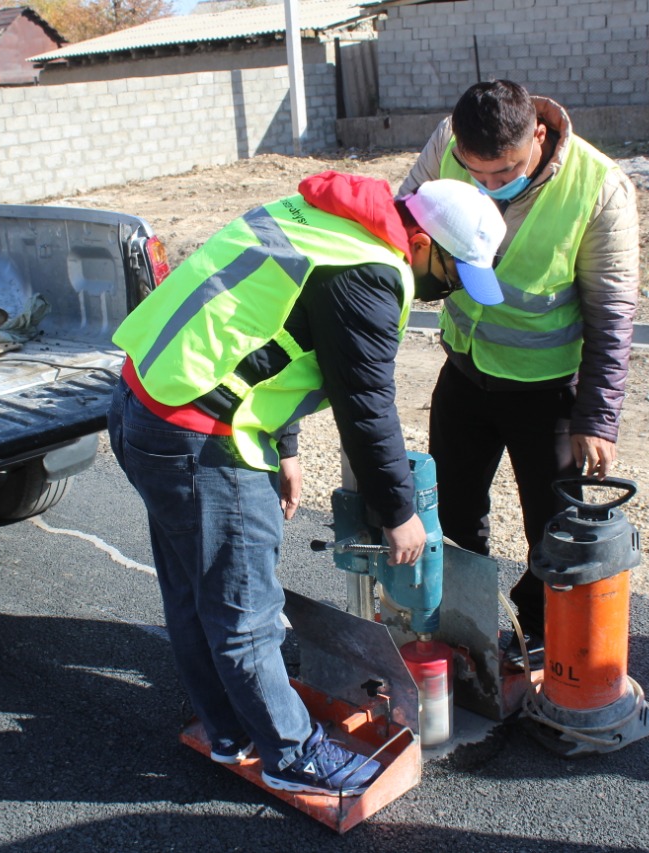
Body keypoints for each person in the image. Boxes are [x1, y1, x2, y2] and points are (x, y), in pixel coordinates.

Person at [107, 172, 506, 796]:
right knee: (246, 614)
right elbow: (366, 405)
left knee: (193, 591)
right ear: (424, 243)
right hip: (199, 437)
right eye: (453, 275)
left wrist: (284, 445)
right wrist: (399, 511)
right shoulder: (369, 270)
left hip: (146, 403)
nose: (447, 291)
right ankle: (291, 757)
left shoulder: (323, 221)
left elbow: (275, 327)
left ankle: (229, 733)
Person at [399, 80, 640, 671]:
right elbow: (406, 219)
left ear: (538, 134)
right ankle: (463, 623)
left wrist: (597, 418)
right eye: (475, 173)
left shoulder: (599, 186)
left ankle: (536, 632)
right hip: (466, 369)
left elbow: (612, 311)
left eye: (503, 171)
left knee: (553, 527)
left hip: (547, 390)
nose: (486, 185)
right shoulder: (448, 144)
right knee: (451, 512)